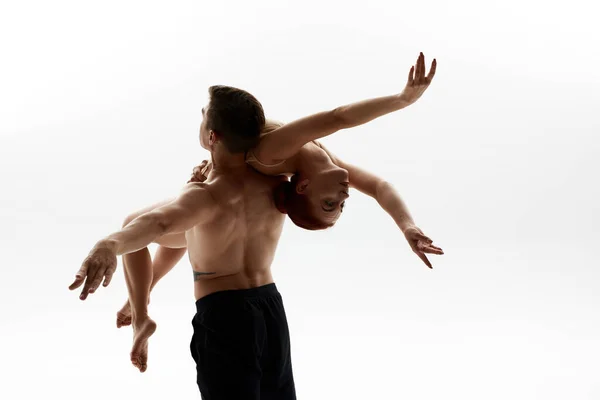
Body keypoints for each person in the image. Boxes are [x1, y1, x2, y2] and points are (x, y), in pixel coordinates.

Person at [69, 55, 442, 400]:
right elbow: (165, 227)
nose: (345, 194)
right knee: (187, 233)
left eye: (334, 204)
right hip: (270, 308)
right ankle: (142, 308)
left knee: (162, 228)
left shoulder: (222, 187)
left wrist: (109, 243)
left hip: (225, 315)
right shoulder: (275, 183)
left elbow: (155, 223)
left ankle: (142, 312)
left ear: (213, 137)